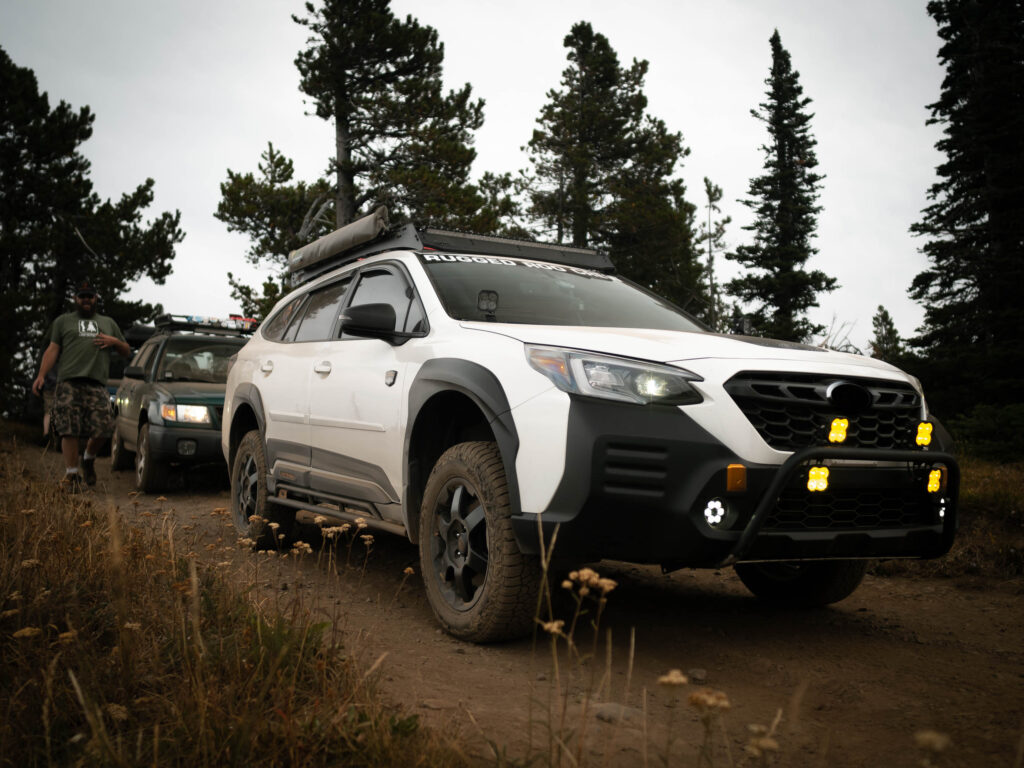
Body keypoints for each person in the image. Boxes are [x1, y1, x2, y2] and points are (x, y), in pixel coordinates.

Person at [32, 282, 130, 491]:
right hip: (68, 382)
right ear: (76, 299)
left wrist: (114, 341)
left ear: (96, 298)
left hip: (96, 384)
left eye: (90, 296)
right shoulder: (63, 321)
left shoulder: (108, 322)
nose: (86, 299)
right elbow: (52, 349)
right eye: (82, 296)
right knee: (69, 428)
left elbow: (126, 351)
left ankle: (88, 458)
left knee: (105, 427)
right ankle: (71, 475)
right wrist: (41, 375)